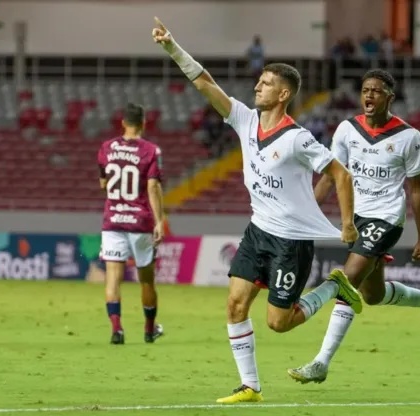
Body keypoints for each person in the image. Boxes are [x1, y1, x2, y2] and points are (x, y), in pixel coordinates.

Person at [152, 17, 363, 404]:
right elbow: (204, 84)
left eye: (265, 84)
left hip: (291, 241)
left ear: (283, 94)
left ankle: (335, 286)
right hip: (258, 231)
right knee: (234, 304)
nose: (257, 87)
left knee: (278, 323)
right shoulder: (245, 119)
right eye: (259, 81)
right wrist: (172, 48)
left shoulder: (298, 138)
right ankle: (250, 386)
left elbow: (340, 173)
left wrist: (347, 224)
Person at [287, 69, 420, 385]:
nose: (369, 95)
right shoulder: (347, 130)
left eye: (376, 90)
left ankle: (321, 362)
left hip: (388, 218)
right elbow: (329, 176)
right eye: (365, 89)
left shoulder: (409, 137)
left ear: (389, 97)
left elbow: (416, 189)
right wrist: (302, 215)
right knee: (372, 295)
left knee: (346, 280)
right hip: (357, 217)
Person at [97, 103, 166, 345]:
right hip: (140, 222)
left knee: (113, 279)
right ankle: (149, 329)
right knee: (146, 279)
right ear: (144, 123)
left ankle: (117, 329)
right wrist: (159, 221)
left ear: (123, 123)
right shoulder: (150, 150)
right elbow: (153, 186)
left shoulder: (106, 148)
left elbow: (103, 184)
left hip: (113, 220)